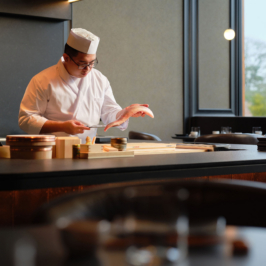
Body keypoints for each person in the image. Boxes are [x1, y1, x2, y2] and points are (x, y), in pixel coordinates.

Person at [19, 28, 151, 143]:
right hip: (52, 152)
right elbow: (26, 119)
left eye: (92, 63)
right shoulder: (42, 80)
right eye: (82, 64)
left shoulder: (100, 79)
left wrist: (125, 112)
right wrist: (62, 126)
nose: (88, 69)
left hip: (88, 150)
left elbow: (109, 113)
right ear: (66, 57)